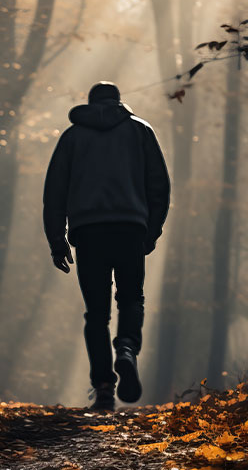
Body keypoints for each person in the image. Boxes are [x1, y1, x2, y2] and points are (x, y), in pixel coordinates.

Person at [43, 81, 170, 411]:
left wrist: (57, 241)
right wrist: (152, 230)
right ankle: (127, 347)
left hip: (88, 233)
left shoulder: (72, 138)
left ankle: (102, 387)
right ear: (118, 101)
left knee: (96, 313)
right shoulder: (140, 131)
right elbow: (159, 185)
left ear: (89, 103)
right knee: (131, 297)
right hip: (130, 229)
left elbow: (54, 193)